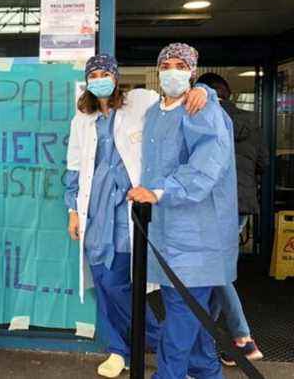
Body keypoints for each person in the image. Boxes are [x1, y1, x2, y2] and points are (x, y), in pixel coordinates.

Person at [65, 54, 210, 378]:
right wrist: (73, 210)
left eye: (106, 73)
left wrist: (205, 91)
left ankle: (157, 343)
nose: (100, 78)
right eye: (95, 74)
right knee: (102, 281)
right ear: (88, 81)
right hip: (95, 207)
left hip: (129, 204)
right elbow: (74, 167)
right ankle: (119, 349)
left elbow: (176, 100)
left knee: (117, 281)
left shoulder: (140, 101)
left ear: (116, 77)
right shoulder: (82, 117)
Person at [128, 43, 238, 379]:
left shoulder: (203, 110)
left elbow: (206, 167)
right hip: (165, 233)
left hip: (196, 238)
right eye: (165, 65)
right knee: (192, 318)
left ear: (191, 71)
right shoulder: (152, 112)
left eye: (180, 65)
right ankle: (207, 372)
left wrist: (159, 193)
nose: (171, 71)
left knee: (180, 320)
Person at [196, 72, 267, 364]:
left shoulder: (200, 119)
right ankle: (204, 337)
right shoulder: (250, 121)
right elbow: (262, 162)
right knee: (218, 271)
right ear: (228, 93)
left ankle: (242, 336)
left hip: (211, 205)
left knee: (217, 273)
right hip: (241, 206)